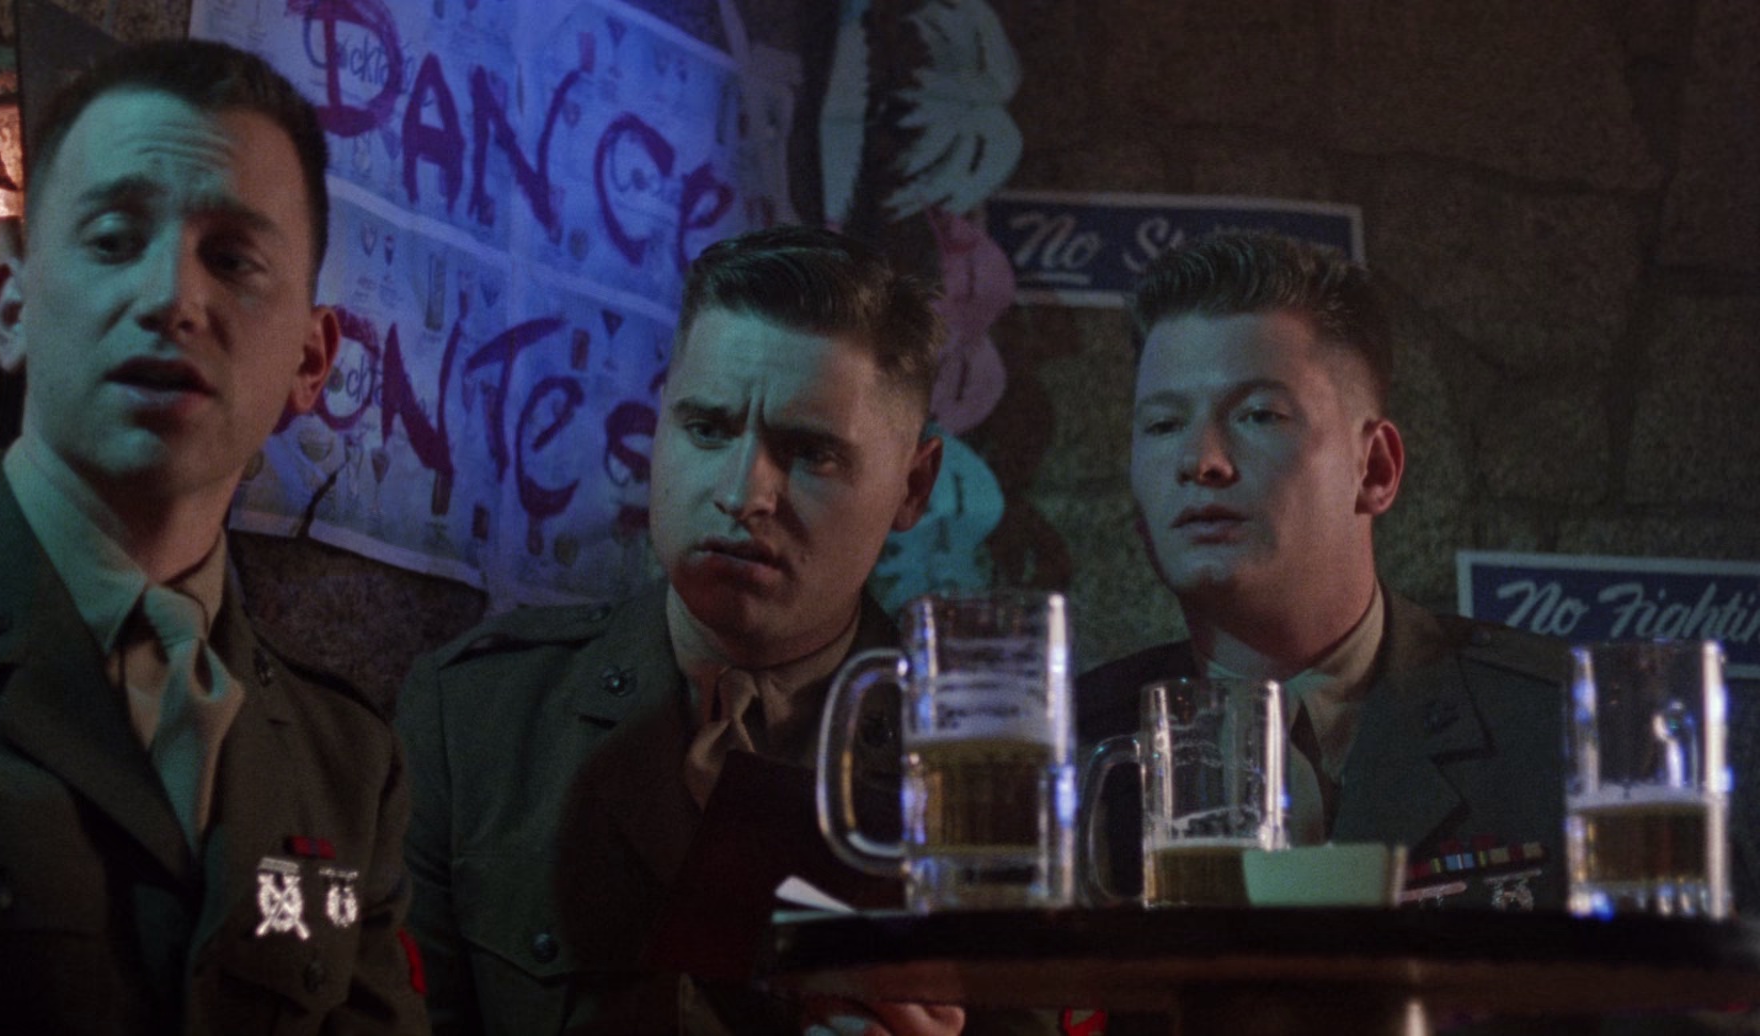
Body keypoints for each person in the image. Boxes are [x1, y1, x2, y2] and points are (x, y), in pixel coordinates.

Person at [0, 39, 427, 1034]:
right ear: (13, 306)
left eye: (233, 260)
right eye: (114, 239)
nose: (171, 299)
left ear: (311, 360)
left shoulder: (345, 766)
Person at [399, 225, 990, 1034]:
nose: (742, 493)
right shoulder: (478, 719)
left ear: (913, 487)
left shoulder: (979, 767)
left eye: (811, 453)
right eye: (707, 428)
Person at [1079, 231, 1566, 910]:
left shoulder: (1554, 727)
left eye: (1258, 415)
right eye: (1163, 425)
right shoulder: (1074, 748)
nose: (1201, 461)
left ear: (1376, 469)